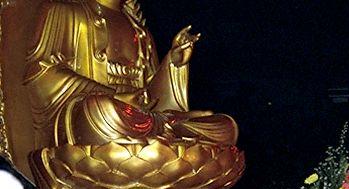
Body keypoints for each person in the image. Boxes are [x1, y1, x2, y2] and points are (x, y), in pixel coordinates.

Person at [24, 0, 238, 148]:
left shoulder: (140, 31)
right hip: (98, 121)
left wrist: (173, 64)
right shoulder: (63, 11)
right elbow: (41, 73)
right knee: (102, 110)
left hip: (143, 121)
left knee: (223, 127)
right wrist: (111, 96)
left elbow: (153, 98)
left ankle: (163, 134)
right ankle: (160, 138)